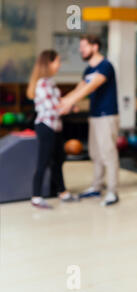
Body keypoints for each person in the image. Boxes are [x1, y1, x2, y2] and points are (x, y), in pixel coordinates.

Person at [59, 35, 120, 206]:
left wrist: (68, 103)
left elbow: (90, 87)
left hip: (107, 115)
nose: (81, 50)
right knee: (95, 153)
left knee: (108, 153)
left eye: (84, 47)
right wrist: (63, 102)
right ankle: (96, 186)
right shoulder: (88, 70)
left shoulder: (105, 66)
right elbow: (80, 88)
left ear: (95, 47)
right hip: (94, 115)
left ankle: (112, 192)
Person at [27, 50, 78, 209]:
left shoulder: (49, 82)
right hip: (46, 126)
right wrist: (68, 107)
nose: (59, 64)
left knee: (58, 160)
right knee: (44, 161)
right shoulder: (42, 83)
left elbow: (57, 102)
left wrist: (68, 104)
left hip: (55, 127)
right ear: (49, 63)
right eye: (57, 61)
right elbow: (53, 108)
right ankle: (36, 196)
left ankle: (62, 192)